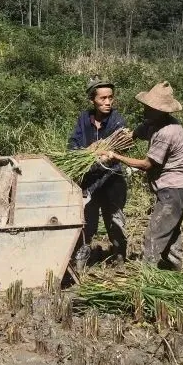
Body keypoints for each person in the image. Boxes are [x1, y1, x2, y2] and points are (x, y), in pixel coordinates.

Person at [101, 81, 183, 270]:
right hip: (173, 189)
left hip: (173, 191)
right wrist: (119, 139)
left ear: (161, 110)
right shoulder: (154, 123)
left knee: (154, 236)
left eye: (149, 108)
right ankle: (176, 274)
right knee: (171, 234)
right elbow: (137, 133)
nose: (145, 110)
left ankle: (147, 277)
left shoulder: (167, 132)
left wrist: (115, 156)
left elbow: (146, 165)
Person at [68, 78, 129, 270]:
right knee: (87, 222)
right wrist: (88, 153)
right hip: (89, 181)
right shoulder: (84, 119)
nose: (108, 102)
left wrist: (97, 154)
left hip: (111, 180)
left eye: (110, 98)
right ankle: (81, 260)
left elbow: (115, 151)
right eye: (103, 98)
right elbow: (72, 145)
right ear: (92, 100)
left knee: (115, 221)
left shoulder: (118, 121)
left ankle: (120, 258)